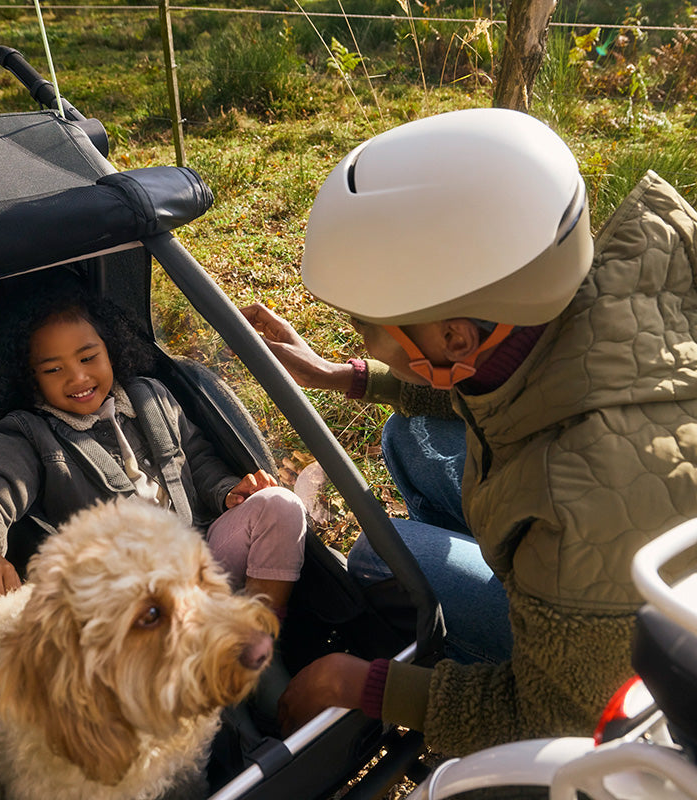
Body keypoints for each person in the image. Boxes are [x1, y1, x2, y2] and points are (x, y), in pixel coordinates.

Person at [242, 107, 697, 756]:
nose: (362, 340)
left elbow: (559, 718)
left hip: (626, 679)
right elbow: (505, 389)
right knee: (406, 438)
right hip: (618, 562)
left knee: (379, 551)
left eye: (368, 329)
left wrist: (363, 683)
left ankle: (482, 616)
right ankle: (509, 581)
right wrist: (340, 375)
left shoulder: (571, 498)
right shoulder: (624, 289)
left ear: (455, 336)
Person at [0, 288, 306, 619]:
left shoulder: (152, 396)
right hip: (133, 593)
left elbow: (197, 460)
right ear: (30, 379)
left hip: (203, 549)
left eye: (88, 358)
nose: (77, 378)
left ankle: (258, 632)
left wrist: (227, 491)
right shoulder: (28, 435)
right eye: (54, 369)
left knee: (281, 506)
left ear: (111, 349)